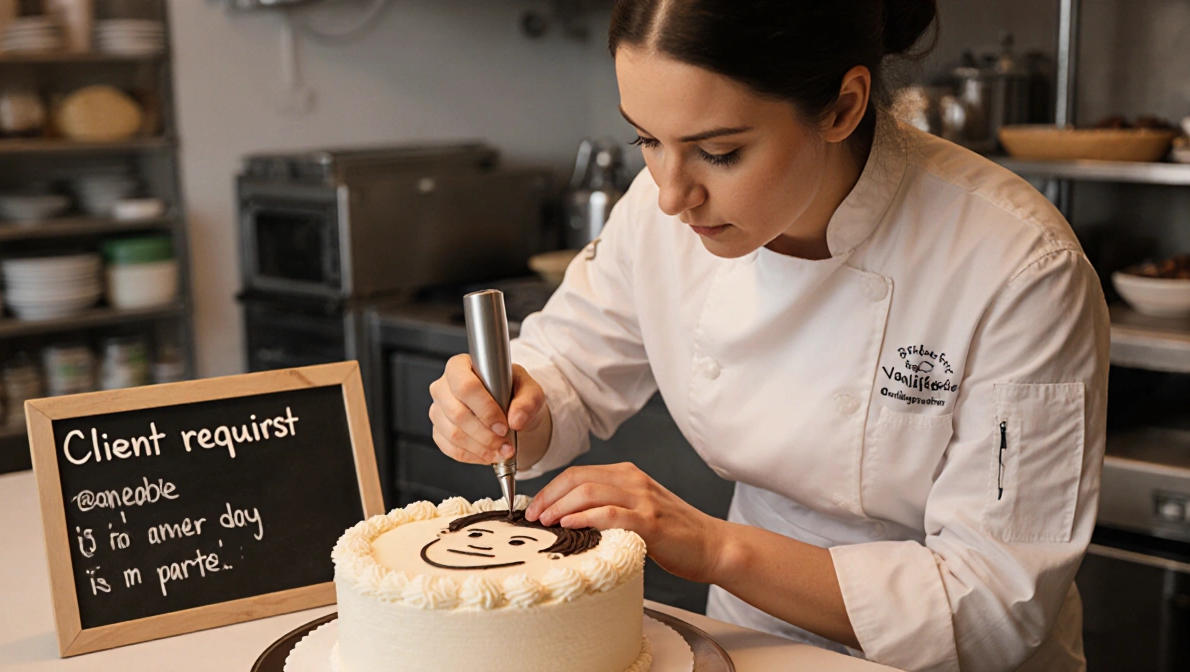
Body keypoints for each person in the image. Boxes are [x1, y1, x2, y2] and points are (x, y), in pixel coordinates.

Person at [427, 1, 1109, 670]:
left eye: (719, 152)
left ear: (842, 107)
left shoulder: (1020, 267)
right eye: (647, 139)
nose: (670, 194)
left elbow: (992, 607)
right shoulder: (661, 210)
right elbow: (568, 373)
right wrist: (509, 410)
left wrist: (717, 549)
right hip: (751, 641)